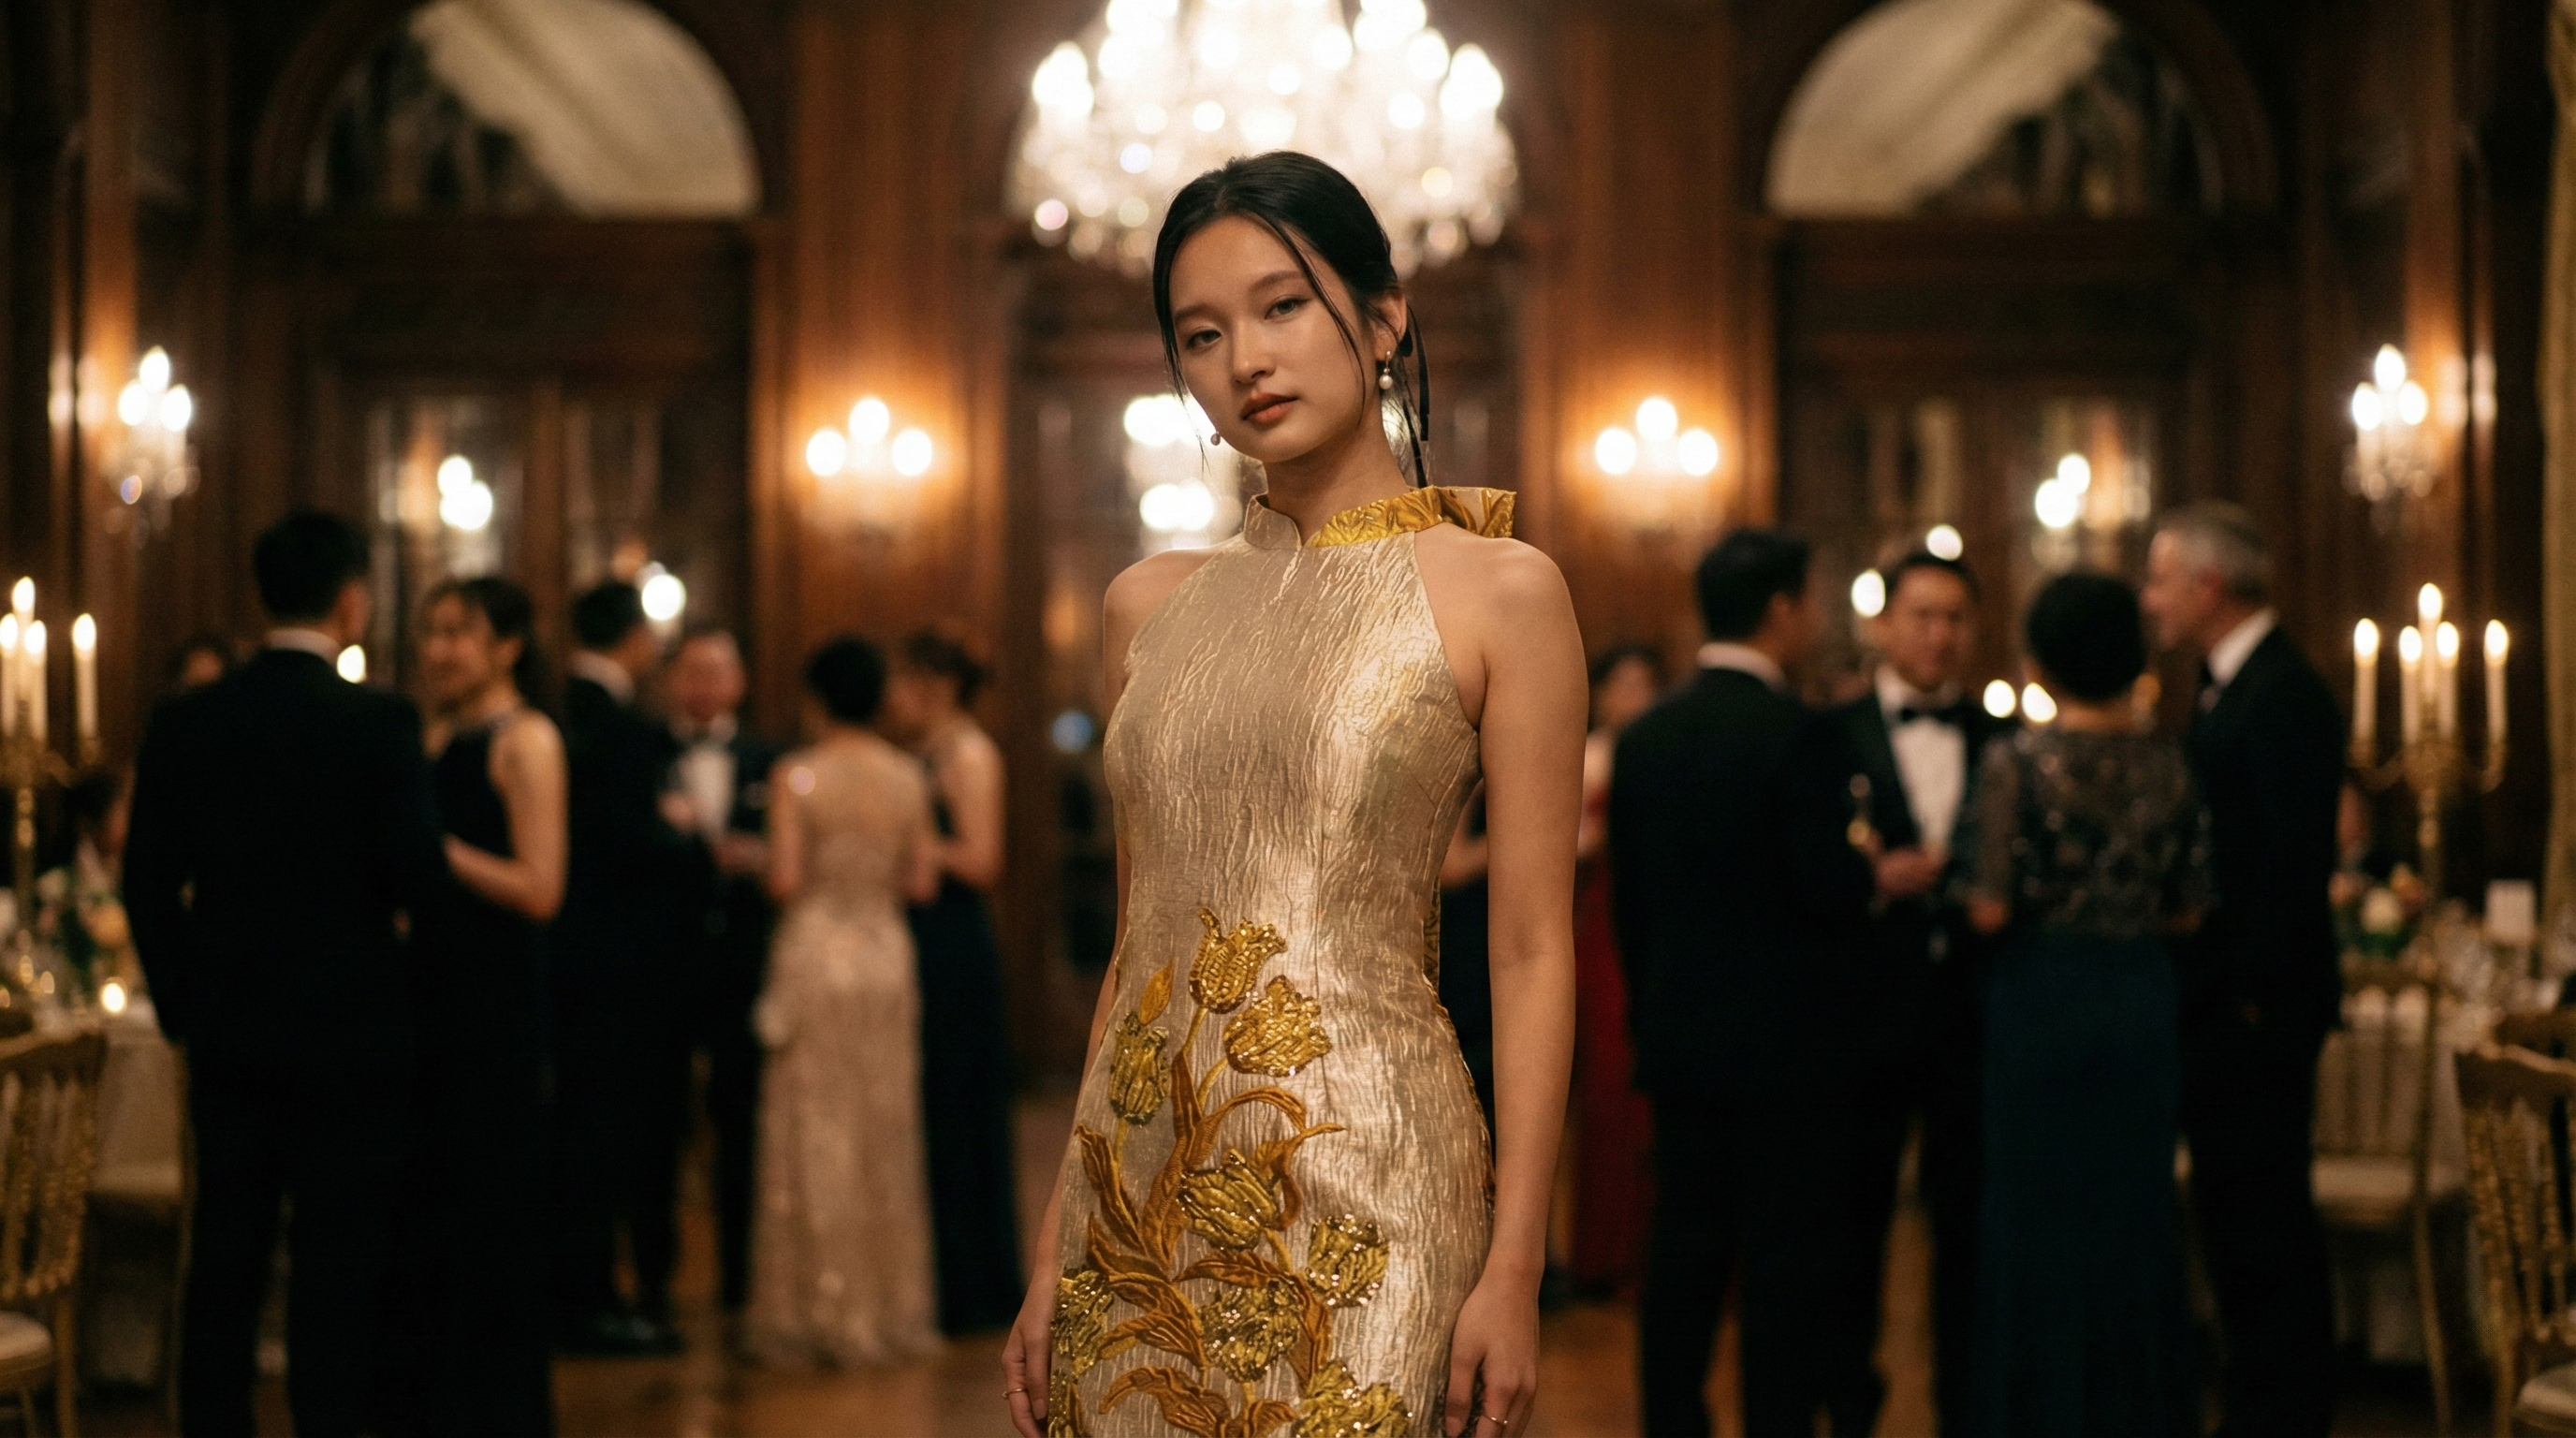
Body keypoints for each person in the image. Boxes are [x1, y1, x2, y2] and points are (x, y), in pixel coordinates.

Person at [1001, 152, 1584, 1438]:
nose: (1246, 360)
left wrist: (1517, 1265)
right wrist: (1055, 1242)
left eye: (1282, 306)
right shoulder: (1148, 607)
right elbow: (1137, 947)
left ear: (1382, 320)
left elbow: (1534, 948)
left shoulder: (1500, 591)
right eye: (1202, 334)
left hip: (1374, 1179)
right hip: (1135, 1190)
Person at [124, 509, 446, 1438]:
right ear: (351, 600)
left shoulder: (188, 719)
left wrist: (183, 1005)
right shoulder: (380, 721)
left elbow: (147, 882)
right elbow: (420, 881)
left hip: (230, 1032)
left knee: (225, 1256)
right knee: (336, 1268)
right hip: (354, 1037)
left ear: (260, 597)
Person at [1610, 529, 1880, 1438]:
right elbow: (1825, 889)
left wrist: (1653, 1016)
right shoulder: (1802, 735)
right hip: (1787, 1058)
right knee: (1781, 1268)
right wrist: (1865, 869)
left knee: (1682, 1259)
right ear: (1781, 609)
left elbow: (1632, 907)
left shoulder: (1646, 738)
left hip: (1682, 1044)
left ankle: (1671, 1424)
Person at [1960, 571, 2211, 1436]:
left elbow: (1987, 907)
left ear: (2040, 661)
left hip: (2044, 998)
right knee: (2133, 1213)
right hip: (2138, 995)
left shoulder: (2016, 764)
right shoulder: (2171, 761)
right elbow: (2191, 908)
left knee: (2036, 1217)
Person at [2139, 502, 2342, 1438]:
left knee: (2264, 1231)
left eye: (2160, 580)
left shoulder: (2282, 692)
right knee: (2236, 1227)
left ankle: (2283, 1415)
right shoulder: (2232, 685)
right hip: (2228, 1007)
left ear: (2208, 585)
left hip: (2255, 1012)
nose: (2150, 600)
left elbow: (2289, 870)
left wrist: (2247, 998)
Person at [1814, 550, 2012, 1436]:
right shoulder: (1830, 733)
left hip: (1972, 1014)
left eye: (1955, 618)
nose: (1939, 634)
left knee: (1967, 1224)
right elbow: (1804, 868)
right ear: (1883, 625)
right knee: (1852, 1224)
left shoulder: (2001, 738)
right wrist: (1870, 880)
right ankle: (1850, 1406)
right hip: (1862, 1014)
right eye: (1923, 616)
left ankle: (1965, 1407)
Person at [385, 576, 564, 1435]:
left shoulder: (526, 739)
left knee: (487, 1201)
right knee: (428, 1204)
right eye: (431, 631)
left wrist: (435, 851)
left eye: (458, 631)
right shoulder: (430, 733)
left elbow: (541, 887)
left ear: (508, 646)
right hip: (425, 991)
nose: (438, 649)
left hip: (492, 1000)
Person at [745, 636, 943, 1366]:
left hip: (816, 958)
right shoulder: (908, 776)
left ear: (816, 698)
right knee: (883, 1125)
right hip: (885, 957)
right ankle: (887, 1306)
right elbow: (921, 882)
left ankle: (816, 1308)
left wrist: (755, 859)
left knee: (814, 1126)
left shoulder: (797, 775)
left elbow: (784, 881)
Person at [552, 580, 699, 1354]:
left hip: (562, 963)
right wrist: (688, 841)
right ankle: (607, 1299)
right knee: (623, 1139)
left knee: (578, 1134)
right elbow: (628, 844)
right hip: (630, 972)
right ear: (636, 637)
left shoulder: (552, 708)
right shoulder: (626, 729)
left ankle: (583, 1291)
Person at [884, 626, 1025, 1335]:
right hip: (925, 935)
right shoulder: (926, 753)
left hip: (956, 943)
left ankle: (976, 1283)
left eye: (903, 684)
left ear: (935, 687)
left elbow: (982, 859)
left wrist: (908, 842)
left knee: (959, 1104)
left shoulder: (969, 753)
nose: (892, 699)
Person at [664, 626, 778, 1322]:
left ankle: (740, 1281)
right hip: (666, 965)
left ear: (738, 682)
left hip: (745, 963)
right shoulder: (649, 754)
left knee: (742, 1123)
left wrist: (759, 858)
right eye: (693, 670)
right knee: (663, 1123)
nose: (704, 684)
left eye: (717, 670)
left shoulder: (770, 757)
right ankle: (657, 1285)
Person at [1569, 643, 1662, 1297]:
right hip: (1601, 921)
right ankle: (1605, 1252)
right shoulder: (1588, 756)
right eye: (1622, 684)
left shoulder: (1663, 751)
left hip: (1657, 921)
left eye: (1645, 684)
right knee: (1607, 1082)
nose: (1634, 697)